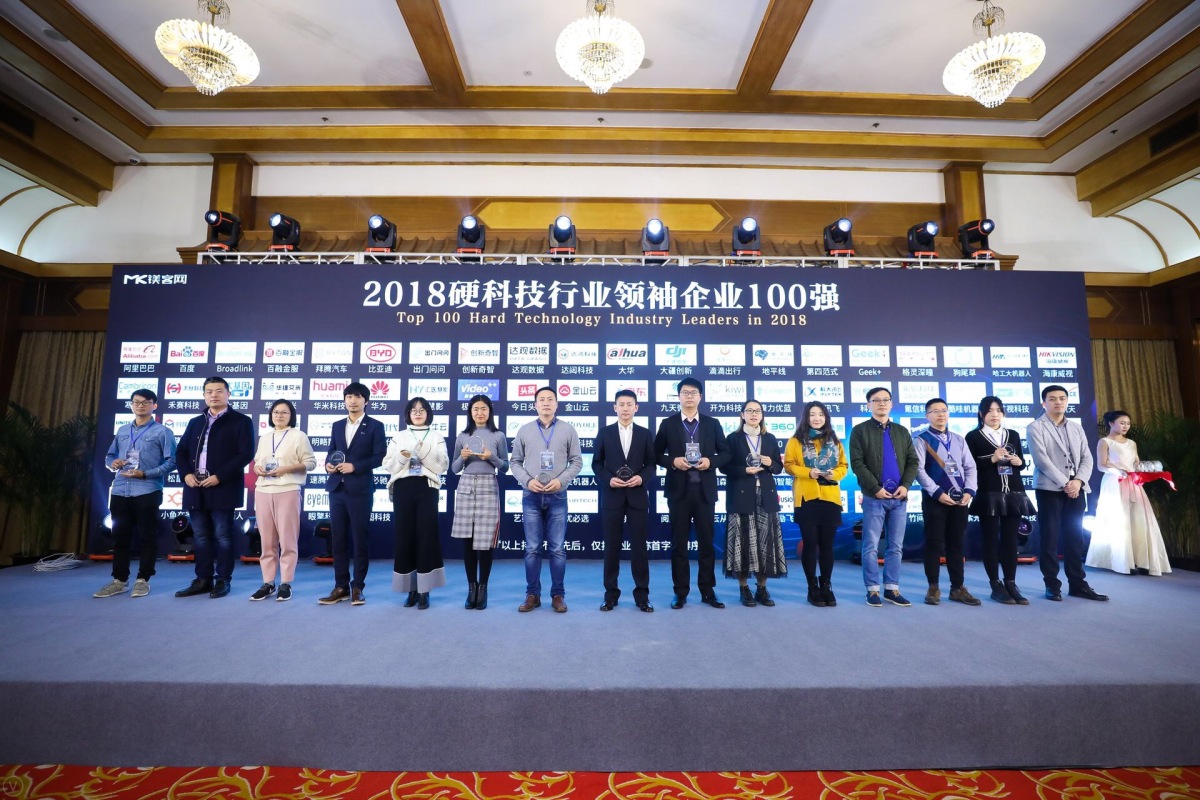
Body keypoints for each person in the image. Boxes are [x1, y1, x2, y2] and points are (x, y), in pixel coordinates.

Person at [654, 377, 732, 609]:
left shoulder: (712, 423)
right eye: (685, 392)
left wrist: (711, 461)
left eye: (693, 392)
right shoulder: (668, 424)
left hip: (704, 492)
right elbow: (655, 454)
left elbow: (726, 453)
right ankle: (680, 592)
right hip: (678, 493)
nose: (689, 396)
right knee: (679, 544)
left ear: (700, 397)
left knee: (707, 543)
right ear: (679, 396)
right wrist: (672, 461)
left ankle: (708, 591)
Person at [174, 376, 254, 599]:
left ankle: (223, 580)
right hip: (195, 487)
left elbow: (245, 454)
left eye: (219, 391)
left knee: (223, 536)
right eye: (209, 391)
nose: (214, 395)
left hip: (223, 487)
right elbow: (181, 452)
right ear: (204, 395)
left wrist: (220, 476)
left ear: (228, 394)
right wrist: (186, 474)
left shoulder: (241, 421)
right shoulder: (195, 422)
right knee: (200, 536)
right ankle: (203, 579)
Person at [1026, 385, 1107, 601]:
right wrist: (1066, 483)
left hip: (1077, 489)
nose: (1058, 402)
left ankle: (1078, 584)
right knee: (1050, 539)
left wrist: (1078, 481)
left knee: (1075, 539)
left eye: (1062, 398)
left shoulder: (1076, 428)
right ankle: (1052, 585)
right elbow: (1041, 460)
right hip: (1050, 489)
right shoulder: (1035, 427)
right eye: (1052, 399)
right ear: (1044, 403)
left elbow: (1087, 458)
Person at [94, 389, 177, 598]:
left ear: (154, 405)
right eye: (136, 402)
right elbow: (109, 456)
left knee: (147, 536)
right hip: (120, 489)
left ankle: (143, 579)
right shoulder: (123, 430)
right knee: (120, 537)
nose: (140, 405)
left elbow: (171, 462)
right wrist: (113, 463)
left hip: (147, 489)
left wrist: (146, 473)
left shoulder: (163, 432)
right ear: (131, 405)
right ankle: (119, 580)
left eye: (145, 402)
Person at [509, 386, 582, 612]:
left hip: (557, 495)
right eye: (542, 400)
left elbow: (577, 462)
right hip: (531, 496)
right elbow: (515, 462)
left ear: (557, 404)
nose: (546, 403)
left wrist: (561, 481)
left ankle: (558, 595)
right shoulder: (525, 430)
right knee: (532, 549)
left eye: (550, 399)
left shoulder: (568, 430)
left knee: (557, 549)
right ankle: (532, 594)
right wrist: (527, 480)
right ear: (535, 405)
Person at [849, 386, 918, 608]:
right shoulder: (860, 431)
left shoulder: (901, 431)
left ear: (891, 404)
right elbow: (857, 463)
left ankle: (891, 588)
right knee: (870, 546)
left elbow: (913, 461)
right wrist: (875, 488)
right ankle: (872, 590)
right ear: (868, 405)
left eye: (885, 399)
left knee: (895, 546)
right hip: (874, 498)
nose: (881, 403)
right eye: (876, 400)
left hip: (899, 498)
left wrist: (906, 486)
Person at [319, 382, 387, 606]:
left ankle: (357, 586)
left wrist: (355, 466)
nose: (353, 401)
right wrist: (328, 464)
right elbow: (332, 451)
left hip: (360, 490)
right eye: (349, 396)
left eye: (357, 397)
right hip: (337, 489)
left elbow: (380, 456)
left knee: (359, 539)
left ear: (366, 401)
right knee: (338, 540)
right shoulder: (337, 425)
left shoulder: (375, 426)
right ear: (344, 400)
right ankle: (340, 586)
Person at [965, 396, 1036, 604]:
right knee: (990, 539)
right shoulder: (973, 436)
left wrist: (1019, 462)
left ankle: (1011, 583)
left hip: (1014, 493)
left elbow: (1021, 464)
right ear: (981, 414)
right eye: (990, 411)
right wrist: (992, 459)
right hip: (989, 493)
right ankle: (995, 584)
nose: (994, 414)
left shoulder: (1012, 434)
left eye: (998, 410)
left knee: (1010, 539)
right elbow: (969, 465)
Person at [1086, 410, 1172, 577]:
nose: (1126, 426)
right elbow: (1101, 466)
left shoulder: (1132, 443)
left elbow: (1136, 463)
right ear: (1111, 423)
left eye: (1128, 423)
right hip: (1114, 482)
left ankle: (1143, 561)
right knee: (1119, 520)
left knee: (1139, 518)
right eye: (1122, 423)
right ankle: (1123, 562)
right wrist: (1117, 471)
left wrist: (1150, 469)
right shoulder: (1105, 442)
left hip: (1133, 482)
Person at [592, 389, 656, 612]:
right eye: (622, 404)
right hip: (613, 496)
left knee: (640, 548)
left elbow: (651, 464)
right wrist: (608, 479)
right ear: (615, 407)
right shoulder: (605, 432)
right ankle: (610, 595)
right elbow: (596, 463)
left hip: (637, 496)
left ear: (636, 408)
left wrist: (642, 478)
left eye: (630, 404)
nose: (625, 408)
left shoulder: (645, 434)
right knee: (611, 547)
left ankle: (642, 596)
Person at [384, 396, 449, 609]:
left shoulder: (436, 436)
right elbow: (389, 465)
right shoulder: (399, 436)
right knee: (405, 538)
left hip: (426, 488)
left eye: (422, 410)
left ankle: (424, 591)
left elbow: (442, 466)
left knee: (426, 537)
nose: (418, 413)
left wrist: (422, 451)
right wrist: (403, 457)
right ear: (408, 414)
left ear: (428, 413)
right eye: (414, 410)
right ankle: (410, 589)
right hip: (403, 489)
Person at [914, 398, 980, 606]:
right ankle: (933, 587)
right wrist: (937, 493)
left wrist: (969, 491)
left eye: (944, 410)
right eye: (935, 411)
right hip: (935, 500)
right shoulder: (921, 440)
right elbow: (919, 470)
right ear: (927, 416)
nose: (940, 414)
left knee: (956, 544)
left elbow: (970, 467)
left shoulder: (959, 439)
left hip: (960, 501)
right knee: (933, 544)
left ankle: (957, 588)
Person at [721, 399, 786, 607]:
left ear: (762, 415)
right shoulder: (733, 438)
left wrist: (770, 462)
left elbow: (779, 468)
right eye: (749, 411)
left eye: (757, 411)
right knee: (742, 542)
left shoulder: (770, 438)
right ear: (742, 415)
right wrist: (744, 470)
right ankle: (744, 588)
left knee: (765, 542)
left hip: (765, 495)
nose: (754, 414)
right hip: (741, 494)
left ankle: (762, 588)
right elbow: (724, 467)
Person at [249, 399, 315, 602]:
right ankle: (268, 583)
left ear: (291, 416)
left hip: (288, 489)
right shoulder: (265, 437)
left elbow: (310, 463)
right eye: (276, 412)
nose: (279, 415)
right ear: (271, 415)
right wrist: (258, 469)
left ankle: (286, 583)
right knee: (267, 541)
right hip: (263, 490)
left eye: (284, 412)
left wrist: (286, 469)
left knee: (288, 540)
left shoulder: (298, 436)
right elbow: (257, 462)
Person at [784, 400, 847, 607]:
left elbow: (843, 466)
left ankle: (826, 585)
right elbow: (789, 465)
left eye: (820, 414)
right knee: (810, 544)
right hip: (807, 498)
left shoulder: (834, 440)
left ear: (826, 417)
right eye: (812, 414)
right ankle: (812, 587)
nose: (817, 418)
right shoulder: (796, 441)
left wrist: (834, 474)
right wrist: (807, 472)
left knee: (827, 545)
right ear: (806, 417)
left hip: (830, 498)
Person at [450, 394, 509, 610]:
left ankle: (483, 588)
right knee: (467, 541)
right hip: (466, 485)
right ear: (470, 412)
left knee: (484, 543)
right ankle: (471, 588)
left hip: (488, 486)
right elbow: (454, 468)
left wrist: (490, 457)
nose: (479, 413)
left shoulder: (498, 435)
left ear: (490, 411)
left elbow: (505, 467)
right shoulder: (463, 435)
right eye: (475, 409)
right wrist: (463, 457)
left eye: (483, 408)